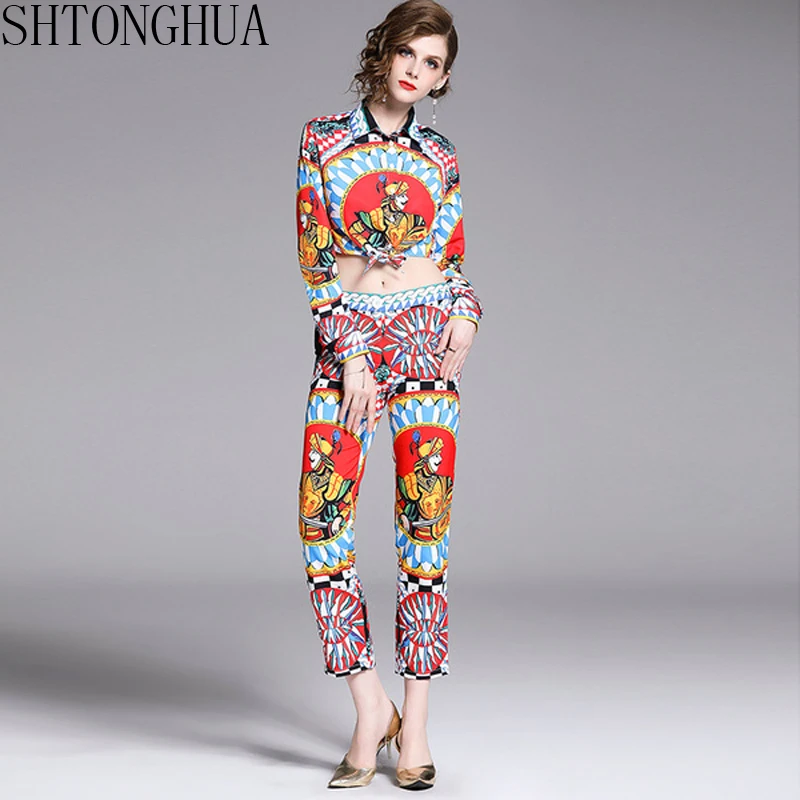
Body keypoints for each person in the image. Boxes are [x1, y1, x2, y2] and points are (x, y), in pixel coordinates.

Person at [294, 0, 483, 790]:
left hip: (429, 338)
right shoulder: (322, 139)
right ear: (384, 51)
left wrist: (468, 311)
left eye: (433, 62)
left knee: (423, 532)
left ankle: (418, 727)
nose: (416, 69)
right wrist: (349, 354)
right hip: (352, 343)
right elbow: (315, 261)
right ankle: (371, 706)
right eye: (409, 52)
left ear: (442, 79)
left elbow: (453, 256)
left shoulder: (440, 154)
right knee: (321, 521)